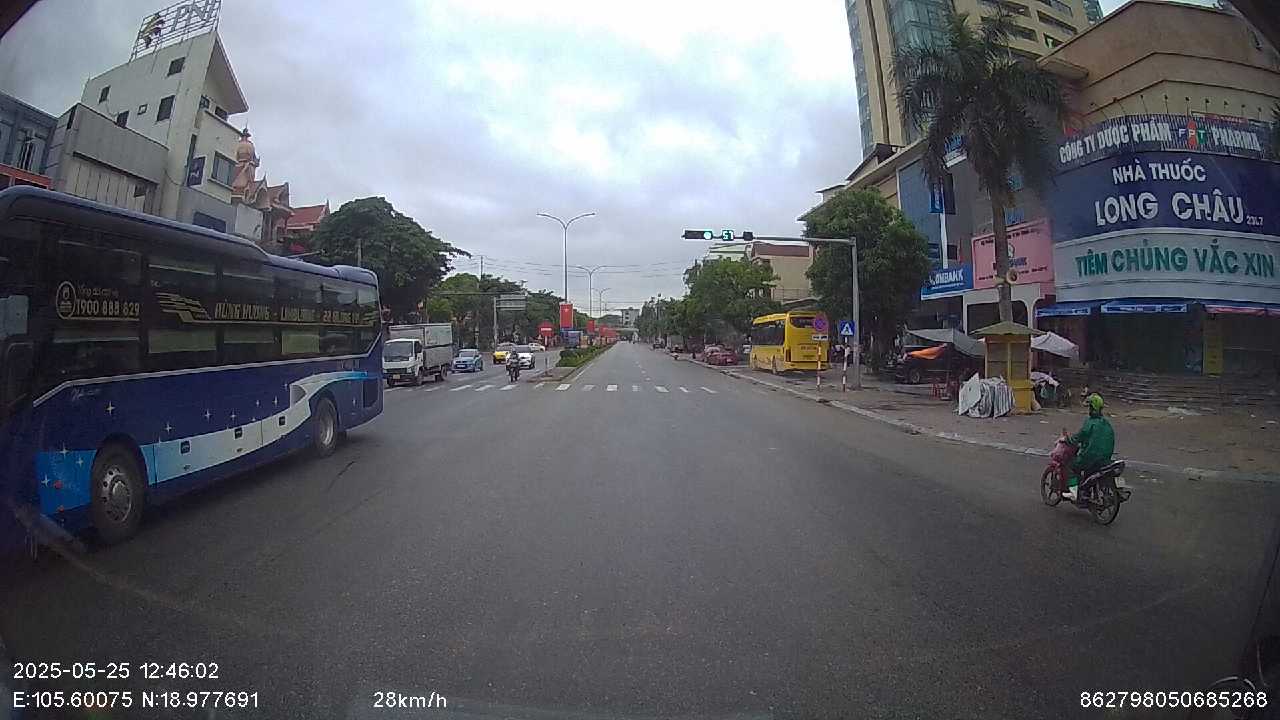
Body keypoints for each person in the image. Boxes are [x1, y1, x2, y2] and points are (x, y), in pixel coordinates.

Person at [1062, 393, 1115, 504]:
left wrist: (1068, 440)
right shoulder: (1106, 423)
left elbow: (1079, 437)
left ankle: (1074, 492)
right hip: (1106, 457)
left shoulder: (1090, 423)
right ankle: (1085, 491)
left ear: (1092, 408)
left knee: (1072, 466)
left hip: (1090, 456)